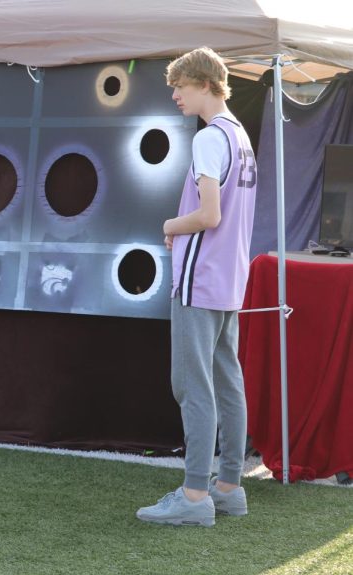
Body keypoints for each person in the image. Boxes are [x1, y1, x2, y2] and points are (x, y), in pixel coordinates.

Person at [137, 47, 256, 527]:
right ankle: (228, 486)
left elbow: (209, 215)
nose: (174, 94)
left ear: (204, 84)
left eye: (180, 86)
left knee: (193, 385)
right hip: (229, 278)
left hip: (200, 277)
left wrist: (169, 223)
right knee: (228, 380)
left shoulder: (209, 139)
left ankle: (194, 495)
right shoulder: (241, 136)